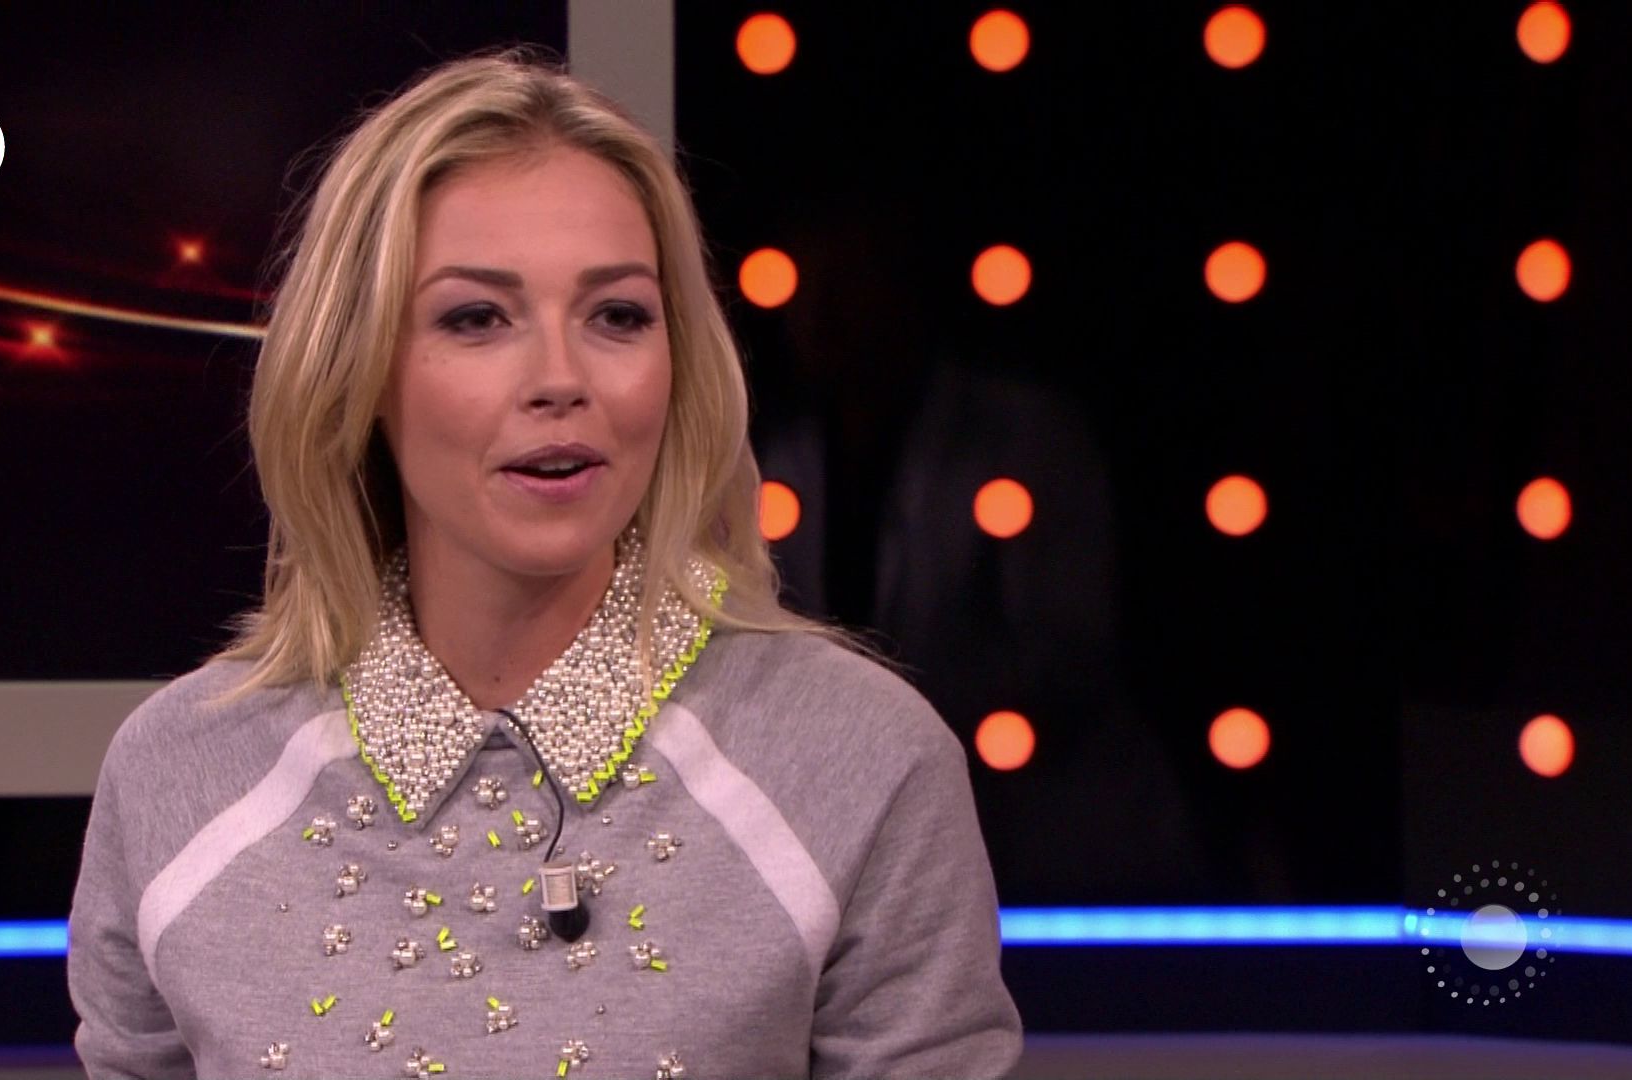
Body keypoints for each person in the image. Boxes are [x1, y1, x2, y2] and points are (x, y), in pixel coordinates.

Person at [66, 46, 1024, 1079]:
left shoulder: (862, 761)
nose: (561, 379)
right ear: (360, 371)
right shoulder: (180, 774)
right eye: (476, 318)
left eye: (617, 316)